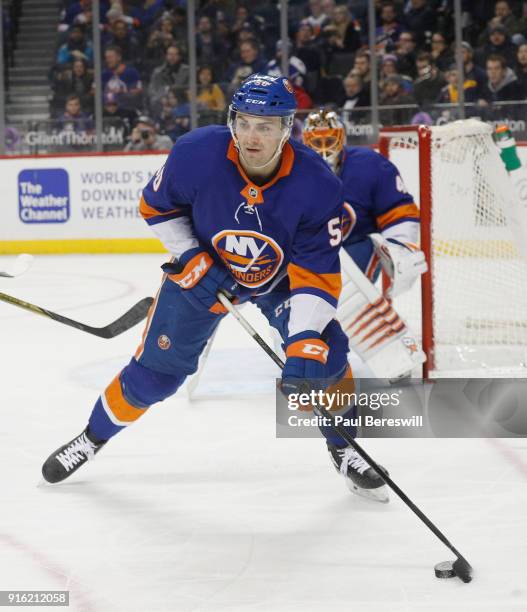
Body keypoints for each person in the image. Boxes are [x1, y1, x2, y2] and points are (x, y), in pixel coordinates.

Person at [41, 74, 389, 502]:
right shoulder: (196, 153)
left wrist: (302, 342)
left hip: (279, 281)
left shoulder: (318, 185)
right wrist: (190, 257)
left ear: (286, 129)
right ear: (231, 121)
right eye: (243, 122)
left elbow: (316, 275)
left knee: (328, 358)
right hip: (207, 273)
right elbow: (155, 206)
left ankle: (344, 449)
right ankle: (91, 439)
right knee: (154, 379)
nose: (251, 136)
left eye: (265, 126)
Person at [302, 109, 426, 375]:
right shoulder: (292, 170)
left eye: (329, 140)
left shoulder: (370, 165)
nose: (323, 149)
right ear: (304, 141)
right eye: (316, 141)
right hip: (308, 252)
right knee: (303, 304)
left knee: (348, 296)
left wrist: (400, 246)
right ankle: (302, 348)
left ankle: (392, 356)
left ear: (342, 137)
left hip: (356, 247)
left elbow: (399, 209)